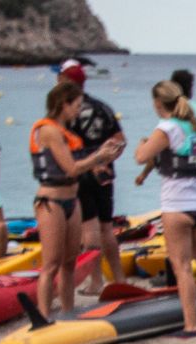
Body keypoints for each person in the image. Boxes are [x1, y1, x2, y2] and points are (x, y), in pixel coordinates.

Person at [134, 80, 196, 337]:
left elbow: (142, 157)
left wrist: (141, 144)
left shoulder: (167, 128)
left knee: (182, 267)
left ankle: (191, 325)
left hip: (177, 204)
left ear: (157, 103)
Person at [30, 81, 121, 318]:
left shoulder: (70, 134)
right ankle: (43, 315)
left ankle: (68, 312)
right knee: (51, 264)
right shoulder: (49, 130)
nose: (79, 111)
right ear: (63, 104)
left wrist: (101, 162)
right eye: (76, 106)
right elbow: (70, 168)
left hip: (73, 199)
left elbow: (80, 167)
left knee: (69, 263)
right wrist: (98, 156)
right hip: (51, 201)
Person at [58, 62, 126, 298]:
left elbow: (59, 145)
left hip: (81, 170)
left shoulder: (66, 111)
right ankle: (118, 277)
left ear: (64, 82)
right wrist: (106, 160)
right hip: (104, 172)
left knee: (89, 227)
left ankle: (96, 279)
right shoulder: (102, 107)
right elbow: (120, 139)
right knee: (107, 227)